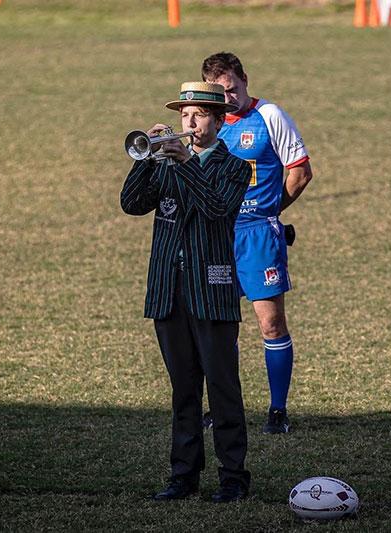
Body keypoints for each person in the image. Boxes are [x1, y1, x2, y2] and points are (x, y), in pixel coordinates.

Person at [120, 82, 253, 502]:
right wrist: (149, 159)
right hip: (168, 290)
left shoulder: (235, 167)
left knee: (223, 388)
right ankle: (183, 475)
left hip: (211, 290)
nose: (189, 122)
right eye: (184, 115)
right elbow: (131, 204)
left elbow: (215, 209)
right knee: (183, 390)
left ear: (217, 122)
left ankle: (233, 477)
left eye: (198, 115)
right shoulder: (167, 163)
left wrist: (183, 165)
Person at [200, 52, 313, 435]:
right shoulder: (205, 123)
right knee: (221, 325)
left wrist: (269, 211)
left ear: (245, 79)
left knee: (271, 323)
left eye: (232, 89)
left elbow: (299, 172)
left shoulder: (270, 117)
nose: (228, 99)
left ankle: (277, 411)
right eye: (220, 93)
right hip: (217, 237)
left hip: (258, 236)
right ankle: (223, 408)